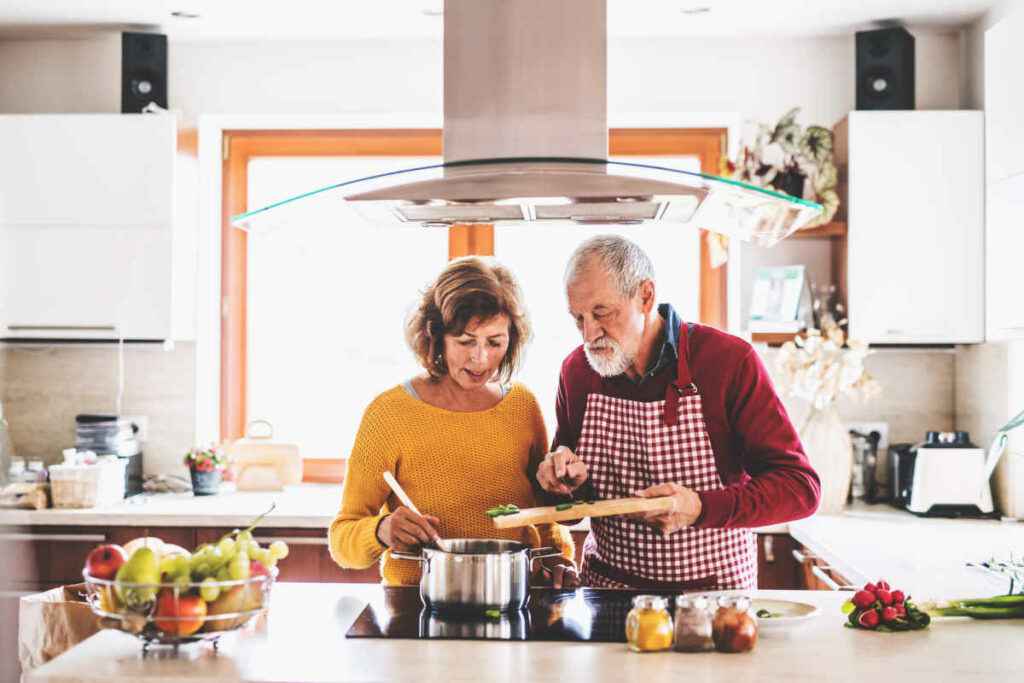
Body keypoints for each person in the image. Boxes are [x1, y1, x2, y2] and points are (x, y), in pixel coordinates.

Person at [536, 235, 820, 590]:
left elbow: (800, 489)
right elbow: (568, 495)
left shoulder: (728, 362)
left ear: (646, 295)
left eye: (601, 313)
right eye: (577, 318)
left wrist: (699, 507)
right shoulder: (577, 371)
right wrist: (563, 482)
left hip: (714, 597)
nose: (589, 333)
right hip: (607, 592)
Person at [329, 256, 577, 587]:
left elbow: (544, 515)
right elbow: (342, 540)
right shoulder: (388, 413)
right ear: (436, 337)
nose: (480, 358)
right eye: (465, 341)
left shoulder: (522, 405)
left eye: (495, 342)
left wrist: (558, 560)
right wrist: (380, 530)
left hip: (512, 593)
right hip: (418, 603)